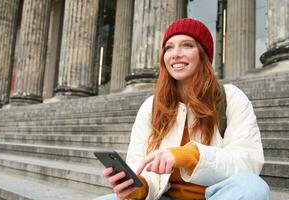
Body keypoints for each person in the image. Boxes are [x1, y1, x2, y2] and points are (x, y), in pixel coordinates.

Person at [96, 18, 270, 200]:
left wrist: (189, 155)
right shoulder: (151, 106)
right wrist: (139, 189)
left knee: (253, 188)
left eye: (187, 45)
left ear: (203, 54)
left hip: (215, 196)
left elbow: (247, 163)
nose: (175, 54)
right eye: (169, 47)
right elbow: (139, 164)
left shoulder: (231, 97)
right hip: (164, 197)